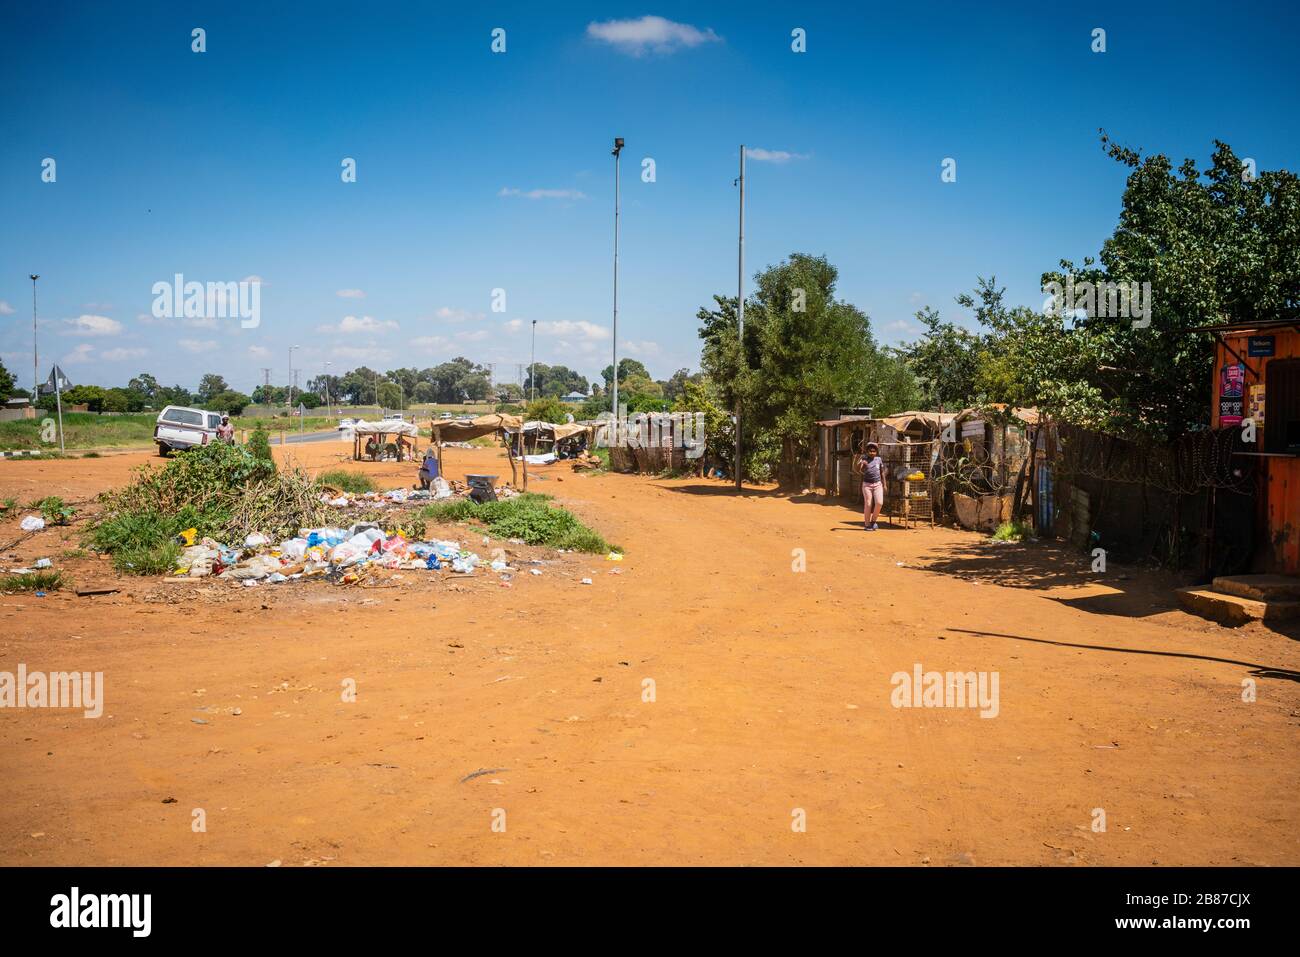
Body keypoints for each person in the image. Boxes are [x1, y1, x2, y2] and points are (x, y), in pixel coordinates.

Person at [858, 441, 886, 531]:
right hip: (867, 485)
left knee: (879, 503)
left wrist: (884, 484)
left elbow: (882, 472)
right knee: (868, 504)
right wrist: (862, 465)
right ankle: (867, 524)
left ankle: (873, 521)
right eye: (870, 451)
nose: (872, 453)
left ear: (876, 452)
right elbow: (859, 470)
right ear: (867, 451)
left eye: (874, 451)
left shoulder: (879, 459)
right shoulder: (864, 459)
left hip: (878, 484)